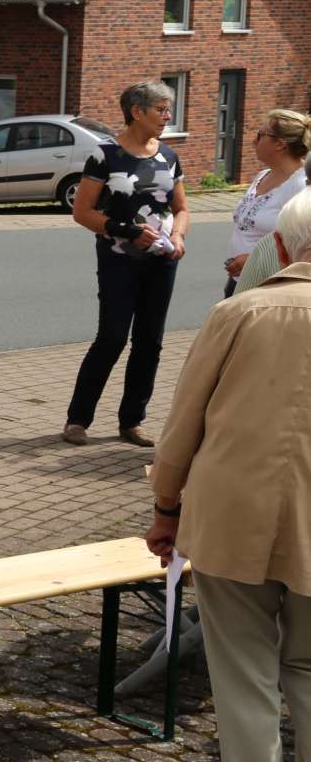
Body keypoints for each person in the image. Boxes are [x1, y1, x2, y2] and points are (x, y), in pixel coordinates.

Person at [145, 186, 311, 761]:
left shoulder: (238, 313)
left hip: (230, 515)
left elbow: (182, 428)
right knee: (309, 668)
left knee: (242, 669)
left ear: (284, 247)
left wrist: (166, 508)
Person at [62, 80, 189, 447]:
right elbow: (82, 212)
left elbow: (180, 208)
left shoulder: (168, 156)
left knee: (150, 341)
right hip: (119, 260)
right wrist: (125, 230)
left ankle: (132, 421)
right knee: (113, 337)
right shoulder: (105, 156)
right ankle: (78, 419)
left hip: (162, 262)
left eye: (169, 110)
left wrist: (178, 236)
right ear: (137, 111)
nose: (168, 116)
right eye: (161, 110)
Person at [221, 109, 310, 296]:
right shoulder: (262, 176)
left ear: (280, 144)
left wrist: (254, 260)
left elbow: (303, 247)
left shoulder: (301, 187)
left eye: (260, 135)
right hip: (240, 281)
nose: (254, 141)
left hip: (272, 287)